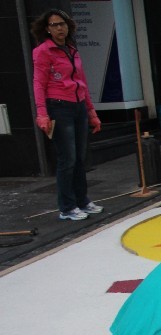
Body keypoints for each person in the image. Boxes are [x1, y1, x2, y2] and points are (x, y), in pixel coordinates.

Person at [31, 9, 104, 221]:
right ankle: (67, 207)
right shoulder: (43, 51)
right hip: (59, 106)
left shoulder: (71, 49)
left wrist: (91, 112)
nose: (59, 28)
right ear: (47, 29)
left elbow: (82, 81)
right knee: (68, 158)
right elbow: (38, 83)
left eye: (62, 24)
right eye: (54, 25)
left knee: (80, 157)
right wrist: (42, 114)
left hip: (78, 105)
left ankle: (82, 201)